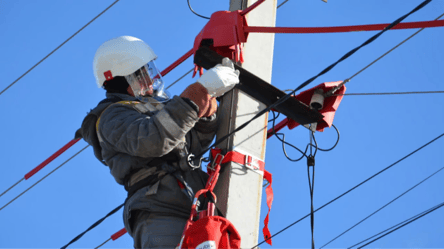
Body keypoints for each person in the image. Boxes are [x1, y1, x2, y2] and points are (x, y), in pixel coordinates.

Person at [77, 36, 239, 248]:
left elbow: (190, 146)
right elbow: (153, 139)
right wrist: (194, 97)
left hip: (195, 208)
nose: (150, 81)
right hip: (160, 212)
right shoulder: (111, 117)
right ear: (124, 80)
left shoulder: (153, 107)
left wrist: (205, 116)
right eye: (141, 74)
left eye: (149, 71)